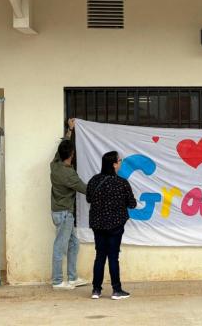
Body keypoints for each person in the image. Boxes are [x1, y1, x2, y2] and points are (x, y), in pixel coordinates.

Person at [86, 151, 137, 300]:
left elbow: (89, 198)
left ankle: (96, 290)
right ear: (114, 164)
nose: (121, 163)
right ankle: (116, 290)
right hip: (115, 226)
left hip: (97, 225)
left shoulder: (94, 180)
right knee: (113, 257)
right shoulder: (122, 183)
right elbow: (132, 204)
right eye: (119, 160)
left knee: (100, 256)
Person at [50, 118, 88, 290]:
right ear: (71, 156)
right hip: (65, 213)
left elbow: (63, 146)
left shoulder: (55, 164)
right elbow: (85, 189)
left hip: (60, 212)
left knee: (74, 244)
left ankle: (72, 278)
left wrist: (69, 130)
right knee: (60, 246)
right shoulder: (69, 175)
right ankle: (58, 281)